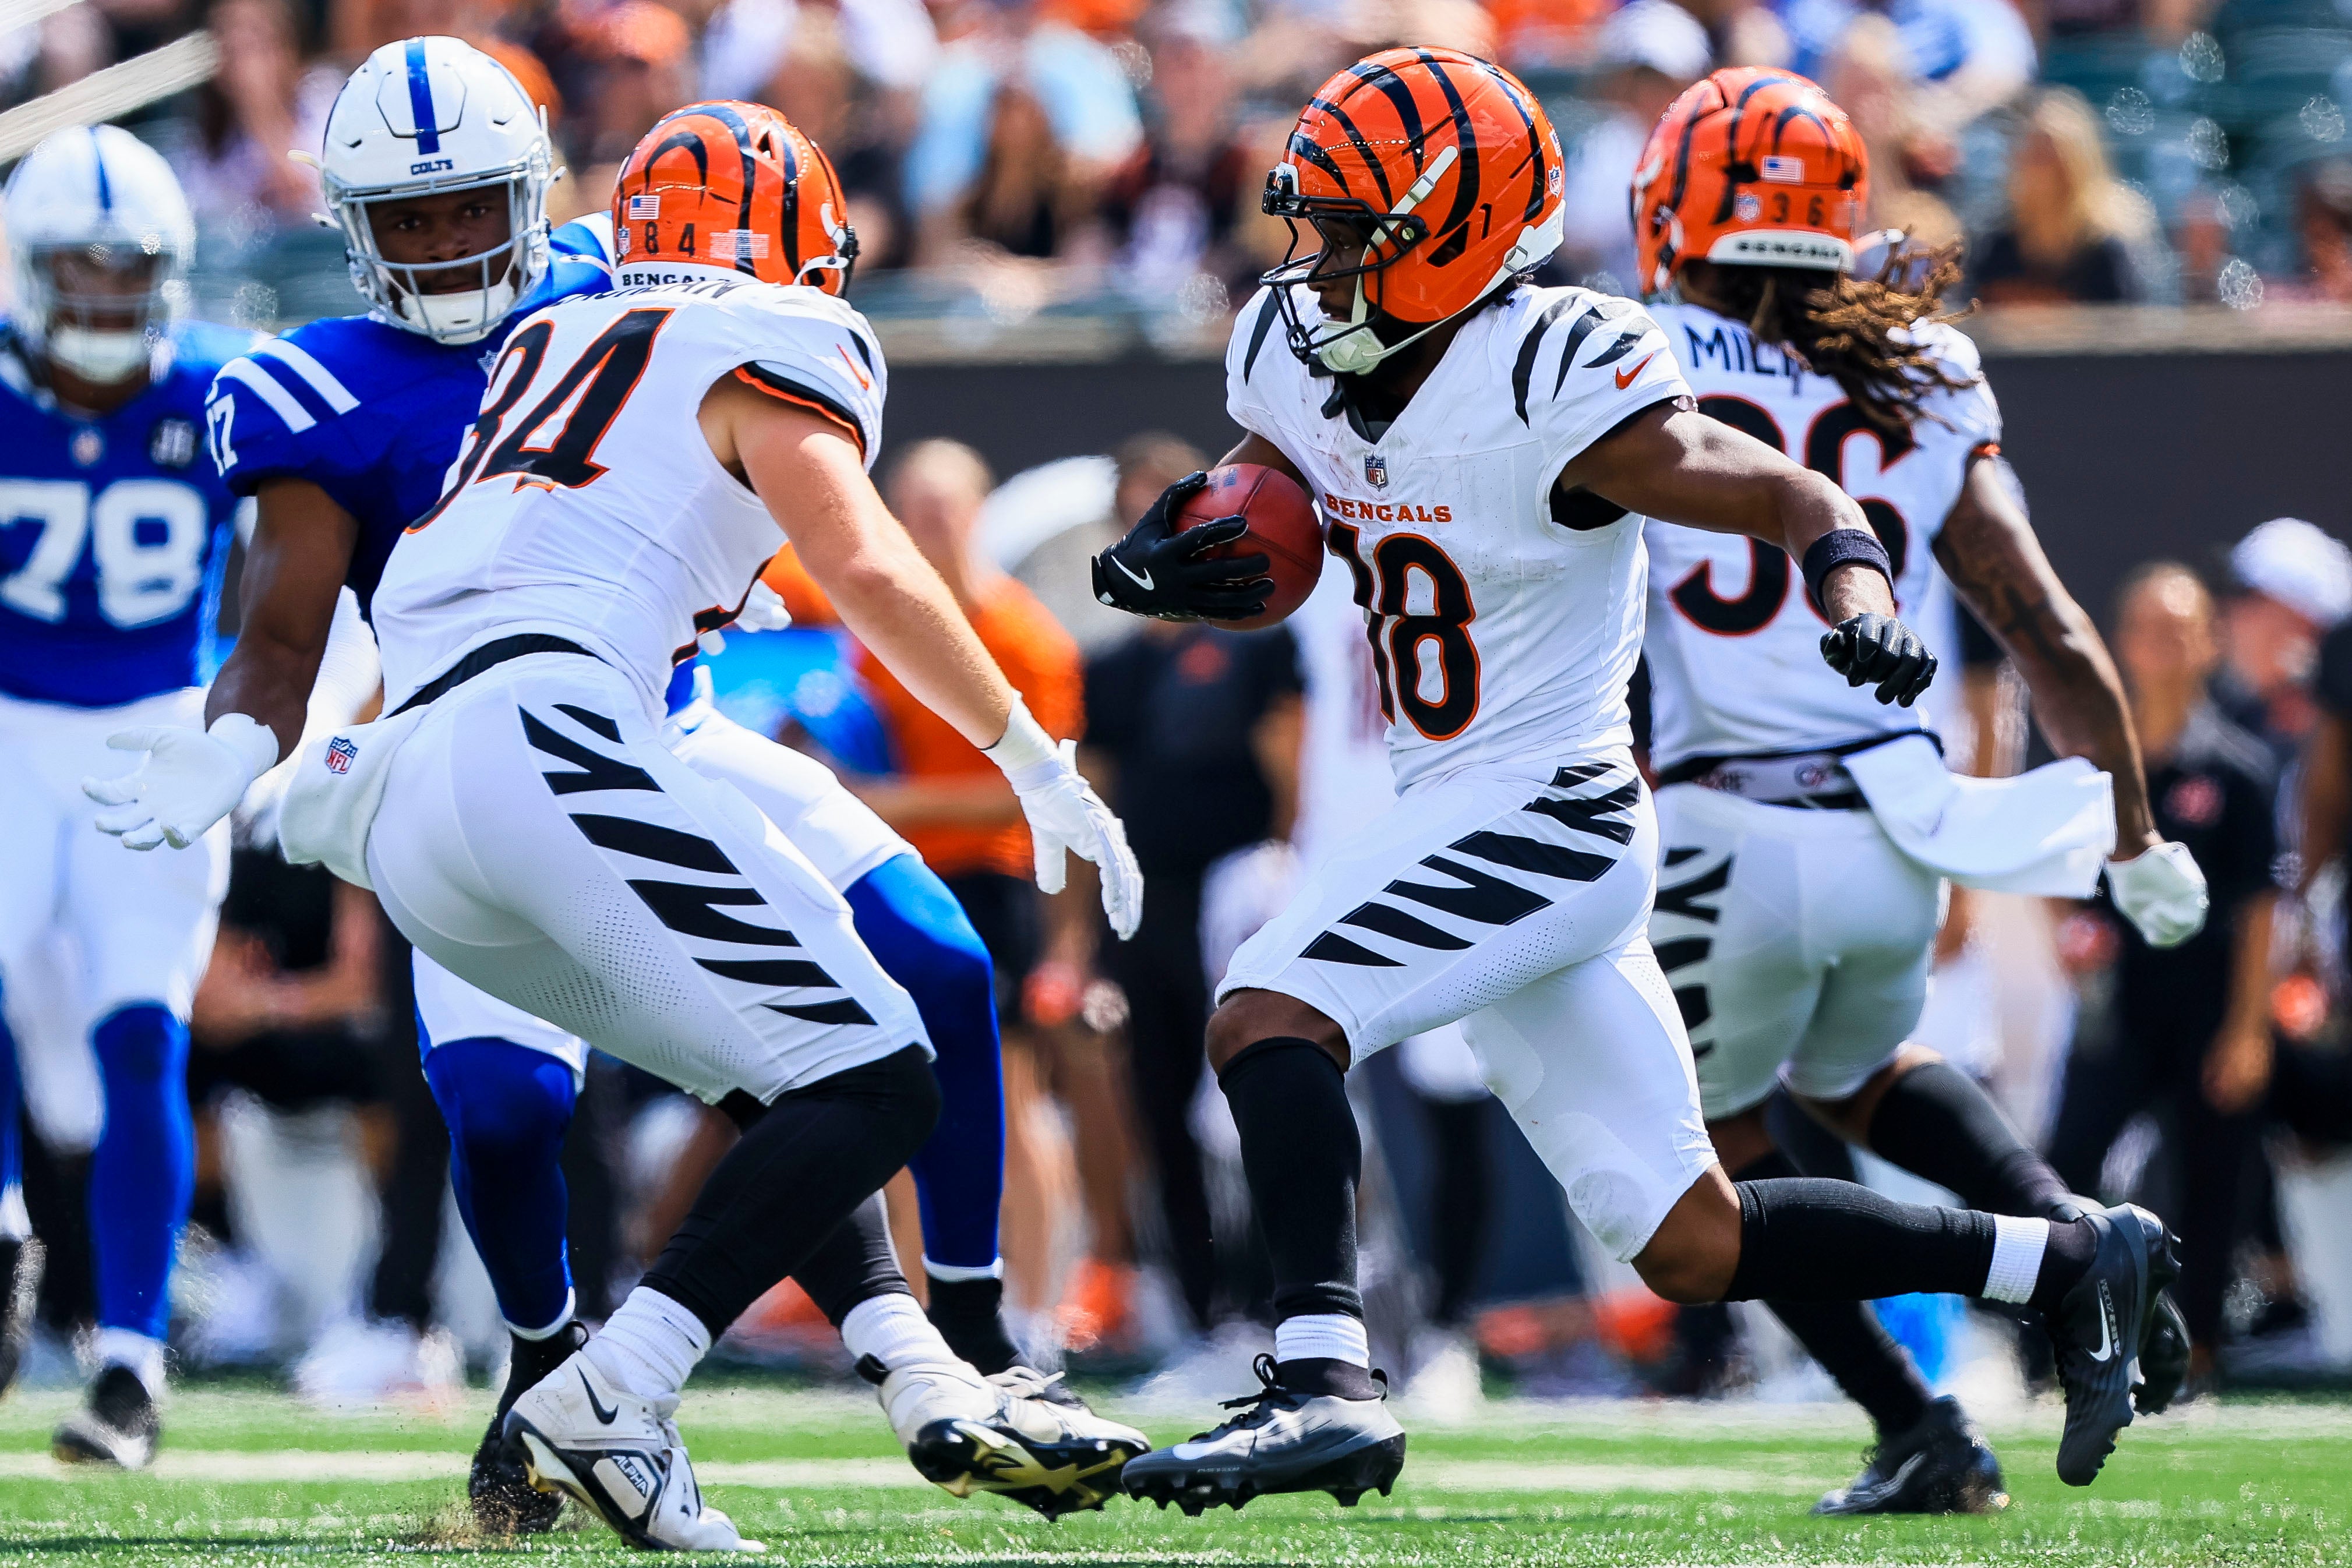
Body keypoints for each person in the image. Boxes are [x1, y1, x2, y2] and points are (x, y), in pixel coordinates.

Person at [1090, 48, 2176, 1512]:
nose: (1320, 265)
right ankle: (2058, 1254)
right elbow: (1267, 475)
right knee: (1690, 1242)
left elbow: (1797, 494)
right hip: (1463, 808)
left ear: (1454, 234)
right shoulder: (1293, 344)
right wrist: (1181, 549)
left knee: (1268, 1007)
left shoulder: (1552, 366)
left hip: (1551, 809)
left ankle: (1322, 1375)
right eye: (1317, 226)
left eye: (1357, 234)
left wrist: (1854, 598)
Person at [96, 97, 1153, 1549]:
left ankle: (921, 1367)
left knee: (805, 1053)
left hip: (421, 779)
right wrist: (1035, 759)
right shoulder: (773, 329)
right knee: (870, 1074)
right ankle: (607, 1380)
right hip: (562, 744)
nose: (453, 243)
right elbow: (864, 562)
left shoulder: (553, 332)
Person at [1631, 68, 2209, 1513]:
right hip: (1896, 828)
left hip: (1723, 820)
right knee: (1854, 1070)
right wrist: (2128, 825)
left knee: (1690, 1169)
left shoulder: (1625, 353)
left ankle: (1925, 1414)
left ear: (1670, 210)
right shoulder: (1913, 363)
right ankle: (2080, 1238)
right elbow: (2040, 620)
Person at [0, 126, 253, 1468]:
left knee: (142, 1034)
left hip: (154, 726)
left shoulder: (218, 387)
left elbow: (302, 573)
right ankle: (2, 1226)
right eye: (78, 275)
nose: (103, 301)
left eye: (129, 274)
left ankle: (131, 1363)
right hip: (4, 715)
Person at [2046, 564, 2282, 1385]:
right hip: (2120, 1006)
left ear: (2209, 641)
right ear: (2124, 642)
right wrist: (2067, 939)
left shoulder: (2238, 767)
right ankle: (2059, 1338)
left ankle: (2199, 1352)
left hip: (2207, 1000)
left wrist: (2248, 1028)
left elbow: (2258, 906)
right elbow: (2061, 879)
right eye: (2149, 627)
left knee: (2213, 1174)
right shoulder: (2096, 761)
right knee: (2066, 1157)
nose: (2166, 645)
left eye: (2182, 628)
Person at [1082, 576, 1304, 1336]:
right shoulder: (1111, 666)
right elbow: (1096, 791)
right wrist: (1081, 935)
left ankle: (1282, 1296)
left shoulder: (1258, 645)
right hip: (1146, 907)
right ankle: (1200, 1308)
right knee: (1160, 1101)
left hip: (1241, 901)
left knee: (1253, 1096)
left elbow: (1288, 756)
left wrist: (1288, 869)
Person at [1969, 87, 2151, 306]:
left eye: (2051, 156)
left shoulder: (2107, 251)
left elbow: (2128, 328)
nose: (2042, 170)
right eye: (2035, 154)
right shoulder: (1995, 245)